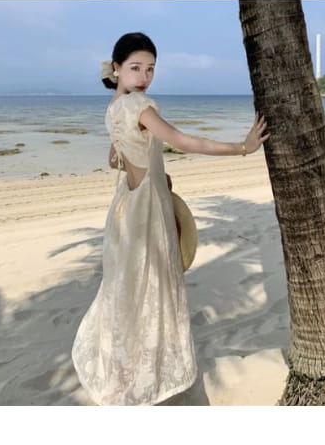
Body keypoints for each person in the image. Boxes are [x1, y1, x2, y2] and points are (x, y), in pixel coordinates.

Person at [71, 32, 270, 406]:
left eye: (150, 69)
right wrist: (243, 147)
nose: (144, 76)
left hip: (126, 207)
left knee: (127, 288)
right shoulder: (140, 105)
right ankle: (148, 372)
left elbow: (113, 159)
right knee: (153, 288)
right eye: (135, 68)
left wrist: (148, 166)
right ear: (117, 68)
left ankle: (122, 368)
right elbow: (185, 142)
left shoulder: (114, 106)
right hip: (148, 209)